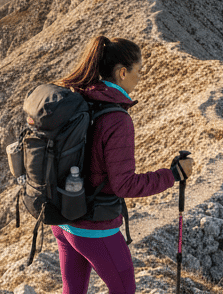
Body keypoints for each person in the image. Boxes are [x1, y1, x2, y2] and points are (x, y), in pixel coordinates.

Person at [51, 36, 194, 294]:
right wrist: (173, 175)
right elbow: (124, 185)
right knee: (124, 289)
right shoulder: (117, 119)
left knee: (73, 290)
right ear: (122, 72)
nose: (141, 77)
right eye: (139, 70)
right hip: (93, 226)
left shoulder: (82, 98)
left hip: (62, 218)